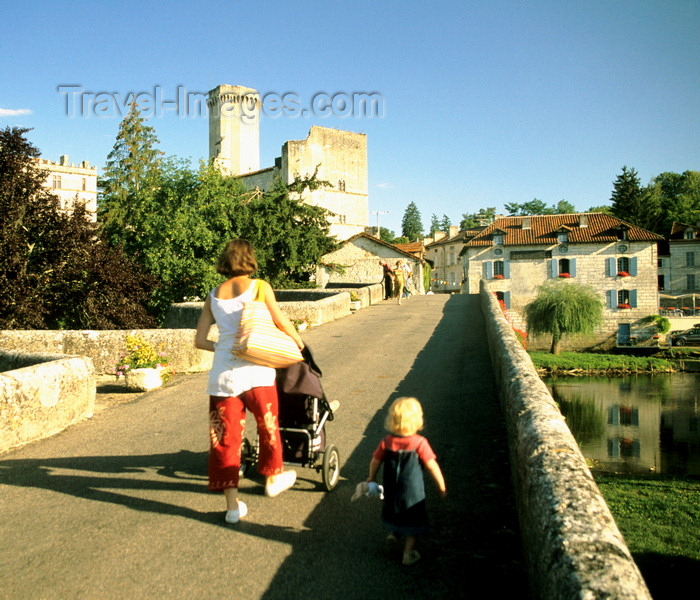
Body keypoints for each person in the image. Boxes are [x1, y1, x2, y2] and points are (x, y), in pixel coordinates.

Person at [195, 239, 302, 524]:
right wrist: (299, 343)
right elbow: (281, 321)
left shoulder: (213, 295)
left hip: (223, 377)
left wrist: (223, 347)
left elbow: (200, 340)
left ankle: (232, 507)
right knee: (268, 426)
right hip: (256, 373)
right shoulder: (260, 287)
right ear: (249, 259)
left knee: (224, 440)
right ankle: (272, 478)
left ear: (225, 262)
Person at [367, 397, 446, 566]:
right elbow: (432, 466)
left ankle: (393, 535)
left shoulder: (387, 442)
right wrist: (441, 486)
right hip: (413, 492)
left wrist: (371, 477)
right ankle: (408, 553)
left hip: (391, 488)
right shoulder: (419, 443)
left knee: (395, 511)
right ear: (417, 421)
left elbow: (375, 461)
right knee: (413, 520)